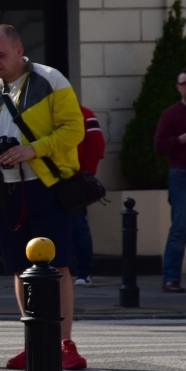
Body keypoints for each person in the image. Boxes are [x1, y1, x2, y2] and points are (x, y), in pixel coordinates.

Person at [0, 25, 87, 370]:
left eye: (0, 55)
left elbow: (74, 129)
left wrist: (31, 150)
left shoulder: (51, 80)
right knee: (20, 269)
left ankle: (65, 343)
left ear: (19, 49)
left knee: (59, 265)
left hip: (47, 186)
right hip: (6, 190)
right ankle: (36, 342)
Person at [153, 67, 186, 293]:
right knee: (180, 229)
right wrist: (185, 138)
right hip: (183, 176)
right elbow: (159, 145)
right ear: (178, 88)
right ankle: (171, 278)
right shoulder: (171, 114)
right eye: (184, 84)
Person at [71, 105, 105, 286]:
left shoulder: (84, 113)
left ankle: (84, 272)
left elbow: (96, 144)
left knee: (78, 227)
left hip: (74, 180)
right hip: (48, 179)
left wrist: (85, 174)